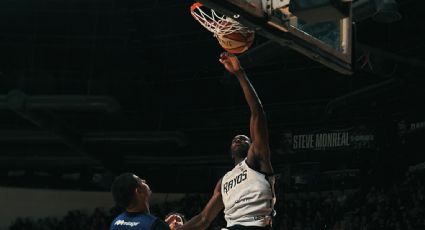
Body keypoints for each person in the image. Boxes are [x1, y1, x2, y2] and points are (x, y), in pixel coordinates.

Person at [175, 52, 276, 230]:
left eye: (244, 138)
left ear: (251, 144)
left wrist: (239, 73)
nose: (238, 138)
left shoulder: (256, 158)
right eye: (235, 139)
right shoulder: (224, 181)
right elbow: (204, 219)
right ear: (230, 150)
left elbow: (257, 112)